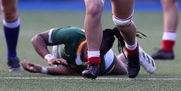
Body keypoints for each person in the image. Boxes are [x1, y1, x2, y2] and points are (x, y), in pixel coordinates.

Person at [21, 26, 156, 76]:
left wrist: (43, 70)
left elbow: (71, 71)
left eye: (100, 53)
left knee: (124, 71)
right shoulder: (73, 35)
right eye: (94, 51)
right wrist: (49, 58)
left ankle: (132, 54)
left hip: (107, 62)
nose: (95, 56)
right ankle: (131, 53)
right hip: (61, 54)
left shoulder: (100, 62)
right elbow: (37, 38)